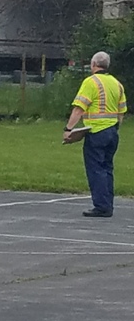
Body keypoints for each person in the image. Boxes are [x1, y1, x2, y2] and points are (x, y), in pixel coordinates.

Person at [64, 51, 126, 217]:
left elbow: (79, 108)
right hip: (113, 131)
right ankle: (108, 204)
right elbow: (121, 111)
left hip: (96, 132)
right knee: (107, 168)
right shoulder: (117, 84)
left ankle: (101, 206)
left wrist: (68, 129)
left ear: (93, 65)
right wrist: (115, 128)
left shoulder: (91, 82)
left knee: (95, 169)